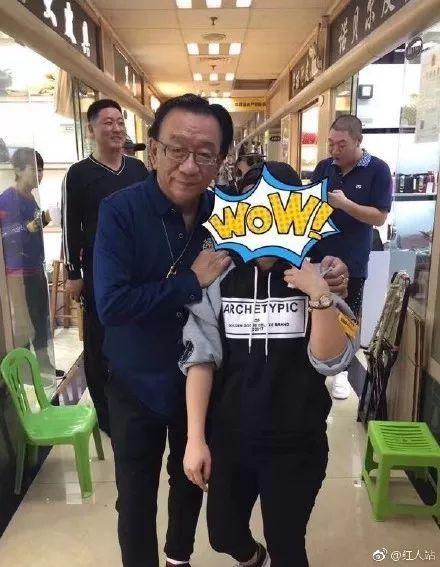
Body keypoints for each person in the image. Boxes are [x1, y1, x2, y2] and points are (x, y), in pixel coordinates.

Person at [93, 99, 350, 567]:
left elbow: (330, 353)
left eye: (205, 154)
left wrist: (326, 282)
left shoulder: (224, 215)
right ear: (153, 149)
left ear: (220, 161)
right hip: (142, 380)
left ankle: (178, 558)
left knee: (191, 483)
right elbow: (111, 305)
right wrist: (190, 281)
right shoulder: (121, 212)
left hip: (237, 403)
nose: (190, 165)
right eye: (177, 149)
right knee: (136, 496)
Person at [180, 220, 359, 565]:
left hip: (297, 440)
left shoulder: (319, 272)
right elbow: (200, 360)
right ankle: (253, 558)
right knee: (223, 535)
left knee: (287, 546)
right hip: (232, 436)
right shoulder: (221, 274)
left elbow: (331, 361)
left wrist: (318, 294)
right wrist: (195, 439)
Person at [61, 99, 148, 435]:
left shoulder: (138, 170)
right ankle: (106, 414)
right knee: (99, 339)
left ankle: (139, 398)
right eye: (108, 122)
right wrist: (73, 274)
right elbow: (70, 226)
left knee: (137, 328)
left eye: (120, 122)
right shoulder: (79, 174)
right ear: (91, 129)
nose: (116, 128)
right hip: (98, 271)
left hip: (138, 268)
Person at [311, 114, 392, 399]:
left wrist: (346, 205)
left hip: (352, 261)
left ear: (358, 141)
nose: (334, 150)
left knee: (347, 316)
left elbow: (379, 217)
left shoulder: (378, 170)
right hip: (318, 257)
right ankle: (316, 365)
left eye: (341, 144)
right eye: (331, 143)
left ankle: (342, 372)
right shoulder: (324, 168)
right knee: (318, 311)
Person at [0, 148, 57, 377]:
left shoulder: (31, 198)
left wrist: (41, 221)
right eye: (34, 169)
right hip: (17, 272)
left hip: (35, 269)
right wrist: (29, 227)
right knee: (23, 325)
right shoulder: (7, 198)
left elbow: (30, 229)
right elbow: (5, 233)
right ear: (18, 170)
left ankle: (43, 366)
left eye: (41, 169)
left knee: (41, 319)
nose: (39, 175)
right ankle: (24, 371)